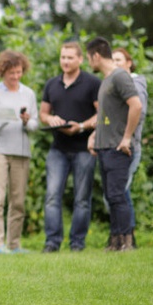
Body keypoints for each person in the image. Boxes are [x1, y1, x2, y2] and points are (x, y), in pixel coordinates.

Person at [40, 41, 101, 253]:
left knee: (82, 199)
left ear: (80, 59)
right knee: (51, 196)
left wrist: (82, 126)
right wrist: (52, 120)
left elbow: (102, 113)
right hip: (58, 149)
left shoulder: (93, 83)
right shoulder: (52, 84)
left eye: (70, 57)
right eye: (62, 57)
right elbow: (43, 113)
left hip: (84, 148)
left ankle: (77, 244)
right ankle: (52, 242)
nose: (65, 61)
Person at [86, 38, 142, 251]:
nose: (89, 62)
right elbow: (105, 115)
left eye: (89, 57)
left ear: (96, 56)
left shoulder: (119, 76)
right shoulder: (106, 80)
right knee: (111, 195)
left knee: (118, 195)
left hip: (118, 147)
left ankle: (126, 242)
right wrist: (94, 137)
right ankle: (115, 240)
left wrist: (127, 137)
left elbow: (136, 106)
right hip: (104, 146)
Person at [0, 50, 39, 254]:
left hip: (21, 151)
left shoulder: (29, 94)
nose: (15, 76)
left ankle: (14, 244)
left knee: (18, 200)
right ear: (2, 72)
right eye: (11, 73)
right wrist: (7, 117)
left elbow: (34, 125)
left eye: (19, 72)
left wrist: (26, 121)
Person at [112, 48, 147, 247]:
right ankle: (120, 237)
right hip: (115, 146)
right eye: (113, 60)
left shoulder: (135, 83)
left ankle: (127, 237)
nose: (115, 63)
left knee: (120, 193)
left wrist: (126, 137)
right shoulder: (115, 84)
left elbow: (138, 111)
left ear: (129, 62)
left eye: (119, 60)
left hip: (129, 147)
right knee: (118, 194)